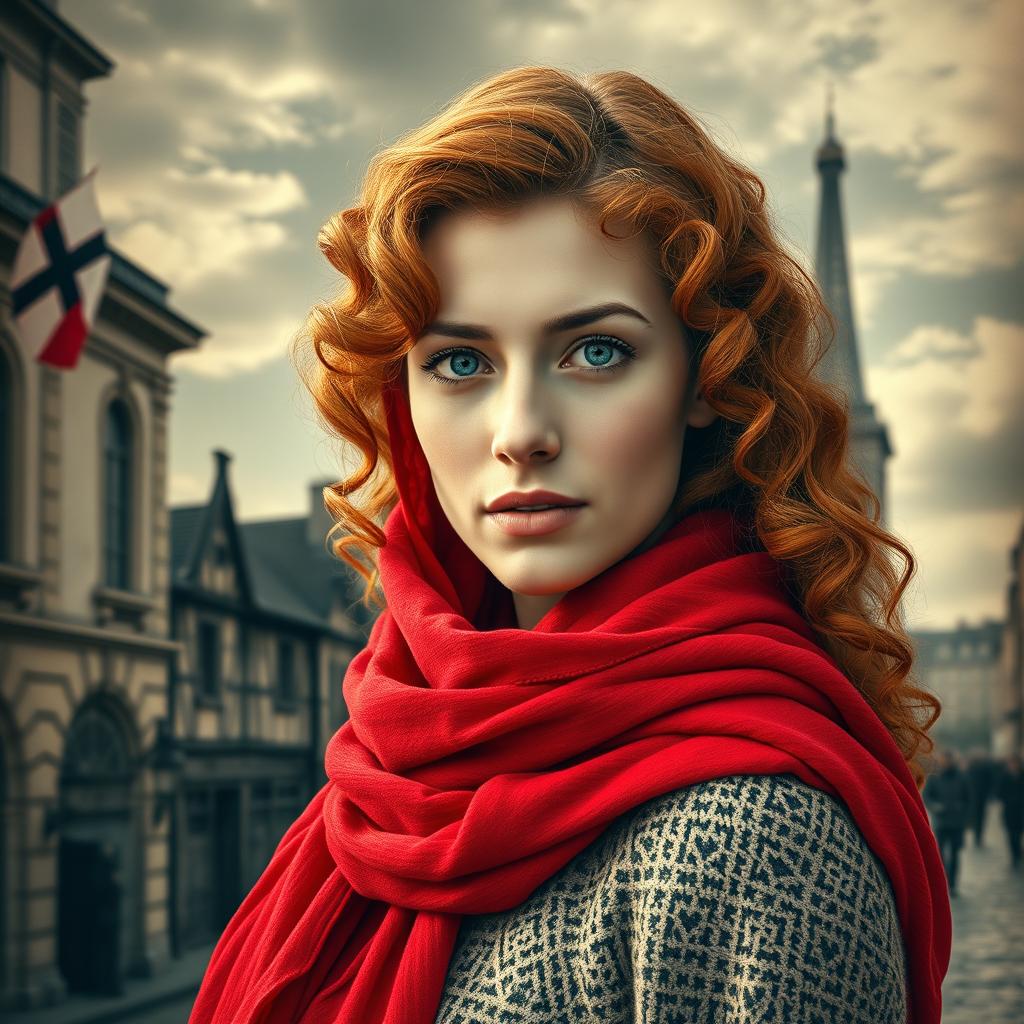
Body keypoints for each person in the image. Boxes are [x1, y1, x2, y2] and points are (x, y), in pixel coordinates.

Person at [187, 66, 951, 1024]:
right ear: (404, 399)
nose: (519, 430)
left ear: (707, 376)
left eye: (595, 351)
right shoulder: (385, 772)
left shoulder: (756, 844)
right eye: (459, 362)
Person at [924, 748, 972, 895]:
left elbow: (969, 799)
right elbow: (927, 797)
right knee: (940, 855)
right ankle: (942, 883)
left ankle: (952, 885)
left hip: (957, 823)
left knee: (955, 854)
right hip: (941, 822)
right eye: (943, 760)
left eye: (947, 760)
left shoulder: (962, 777)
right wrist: (935, 807)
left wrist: (963, 810)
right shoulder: (934, 777)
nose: (945, 762)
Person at [995, 753, 1024, 870]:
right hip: (1009, 810)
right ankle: (1014, 855)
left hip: (1021, 810)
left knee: (1019, 833)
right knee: (1011, 834)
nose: (1013, 766)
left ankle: (1018, 852)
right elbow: (999, 792)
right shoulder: (1004, 776)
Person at [965, 746, 997, 846]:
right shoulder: (971, 766)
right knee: (976, 816)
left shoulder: (986, 767)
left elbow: (991, 781)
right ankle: (976, 836)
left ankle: (978, 836)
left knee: (981, 817)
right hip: (973, 795)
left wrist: (990, 793)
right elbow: (966, 781)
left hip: (982, 796)